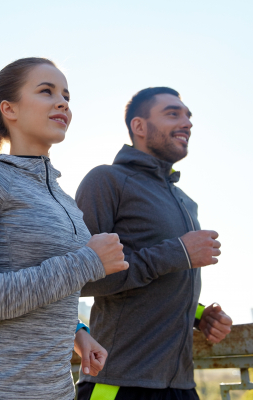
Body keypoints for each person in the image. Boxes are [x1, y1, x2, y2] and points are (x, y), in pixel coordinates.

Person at [0, 57, 129, 400]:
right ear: (9, 109)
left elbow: (47, 289)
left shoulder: (65, 199)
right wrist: (88, 261)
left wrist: (76, 331)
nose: (63, 102)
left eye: (67, 95)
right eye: (46, 91)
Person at [75, 87, 233, 400]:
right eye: (173, 113)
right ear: (139, 126)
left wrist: (200, 315)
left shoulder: (185, 202)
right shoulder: (106, 181)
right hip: (115, 385)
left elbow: (158, 283)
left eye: (188, 115)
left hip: (182, 387)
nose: (187, 122)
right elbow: (76, 280)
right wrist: (178, 252)